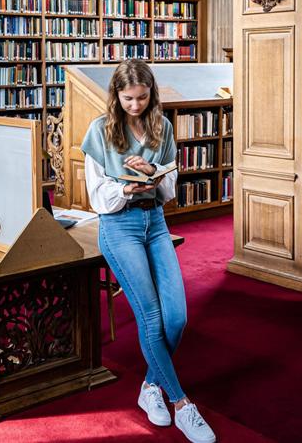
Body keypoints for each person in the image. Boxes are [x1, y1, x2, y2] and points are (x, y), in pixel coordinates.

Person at [81, 59, 216, 443]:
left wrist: (152, 172)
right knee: (152, 317)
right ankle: (182, 403)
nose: (136, 105)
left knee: (177, 318)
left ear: (151, 94)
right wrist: (126, 188)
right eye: (128, 98)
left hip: (155, 223)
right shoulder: (101, 130)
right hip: (119, 228)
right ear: (116, 96)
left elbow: (169, 187)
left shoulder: (163, 127)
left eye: (142, 97)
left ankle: (149, 386)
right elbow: (96, 195)